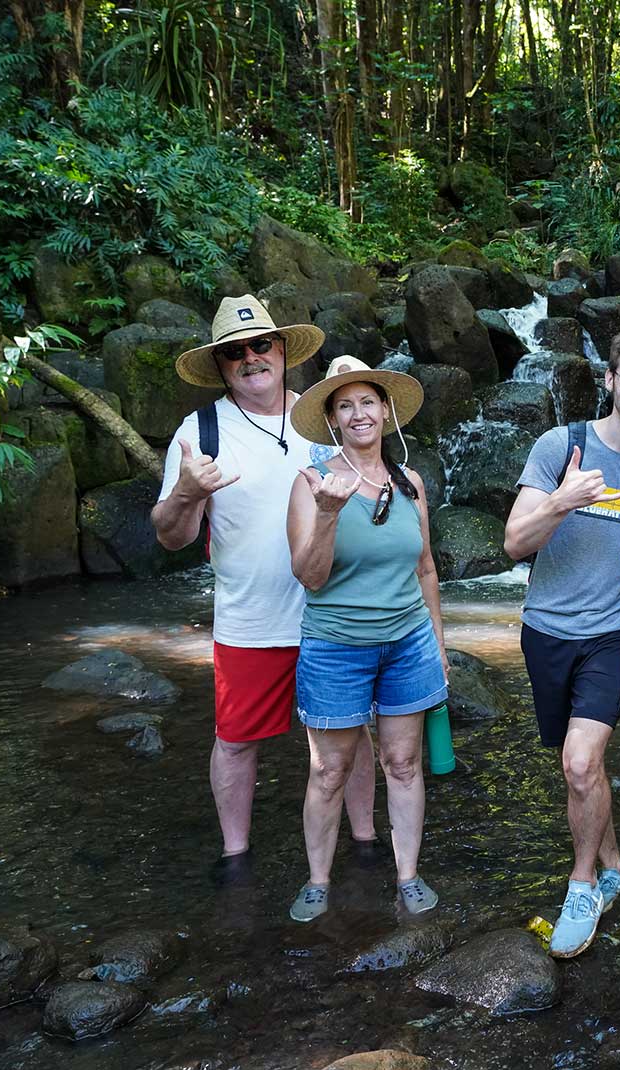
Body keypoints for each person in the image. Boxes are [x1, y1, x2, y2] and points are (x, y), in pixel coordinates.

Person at [152, 296, 377, 879]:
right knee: (235, 740)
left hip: (334, 613)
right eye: (235, 352)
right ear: (221, 366)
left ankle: (367, 843)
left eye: (260, 345)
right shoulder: (199, 432)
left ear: (281, 351)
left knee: (349, 737)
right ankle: (235, 857)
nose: (251, 358)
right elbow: (171, 538)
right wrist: (186, 492)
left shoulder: (323, 421)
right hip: (249, 621)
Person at [503, 325, 620, 958]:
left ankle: (582, 886)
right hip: (546, 630)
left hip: (612, 636)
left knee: (581, 762)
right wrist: (562, 500)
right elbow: (514, 543)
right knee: (579, 767)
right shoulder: (563, 445)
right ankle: (616, 866)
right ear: (609, 380)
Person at [284, 355, 448, 922]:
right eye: (345, 405)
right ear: (332, 419)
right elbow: (308, 576)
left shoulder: (411, 483)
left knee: (403, 763)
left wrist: (440, 647)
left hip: (408, 642)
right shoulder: (312, 485)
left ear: (385, 411)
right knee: (329, 770)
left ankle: (408, 875)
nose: (359, 414)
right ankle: (317, 881)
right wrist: (328, 514)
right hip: (335, 646)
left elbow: (426, 568)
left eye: (367, 402)